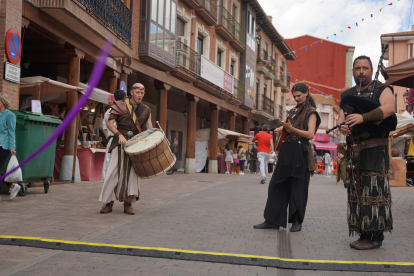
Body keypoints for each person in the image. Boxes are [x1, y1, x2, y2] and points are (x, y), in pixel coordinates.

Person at [339, 55, 395, 250]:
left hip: (374, 149)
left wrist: (363, 118)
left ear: (371, 70)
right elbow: (342, 118)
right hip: (354, 151)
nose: (361, 71)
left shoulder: (382, 89)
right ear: (353, 71)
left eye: (365, 68)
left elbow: (389, 108)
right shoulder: (347, 94)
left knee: (374, 192)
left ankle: (374, 237)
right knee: (357, 193)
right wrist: (343, 128)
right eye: (357, 68)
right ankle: (363, 233)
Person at [254, 82, 321, 232]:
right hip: (287, 150)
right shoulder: (293, 111)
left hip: (301, 150)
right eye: (294, 96)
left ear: (306, 93)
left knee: (298, 187)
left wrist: (291, 128)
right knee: (276, 185)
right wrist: (282, 128)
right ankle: (272, 220)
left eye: (299, 96)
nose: (296, 98)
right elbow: (288, 127)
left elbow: (310, 134)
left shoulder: (312, 112)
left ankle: (296, 222)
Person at [99, 83, 153, 215]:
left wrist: (154, 138)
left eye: (142, 93)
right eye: (137, 92)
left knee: (132, 175)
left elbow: (149, 128)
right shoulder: (120, 105)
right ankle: (108, 202)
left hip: (135, 145)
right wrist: (119, 135)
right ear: (131, 92)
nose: (140, 95)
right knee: (112, 172)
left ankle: (128, 204)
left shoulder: (146, 110)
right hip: (119, 143)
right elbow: (109, 123)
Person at [101, 89, 126, 182]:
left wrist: (109, 137)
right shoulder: (124, 110)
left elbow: (104, 129)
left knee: (109, 163)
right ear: (125, 98)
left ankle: (107, 184)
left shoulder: (108, 111)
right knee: (122, 163)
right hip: (122, 139)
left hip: (111, 139)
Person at [0, 93, 20, 200]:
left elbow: (11, 132)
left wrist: (12, 147)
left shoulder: (10, 115)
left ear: (3, 102)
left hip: (4, 147)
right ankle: (12, 185)